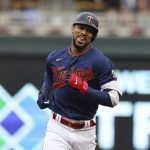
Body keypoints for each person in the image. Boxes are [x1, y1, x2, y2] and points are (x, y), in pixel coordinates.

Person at [37, 12, 122, 150]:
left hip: (85, 132)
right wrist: (45, 90)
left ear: (93, 36)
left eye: (89, 30)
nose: (84, 32)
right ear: (72, 28)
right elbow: (49, 72)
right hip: (57, 127)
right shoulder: (55, 57)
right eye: (81, 27)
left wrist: (83, 87)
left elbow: (113, 98)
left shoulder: (101, 62)